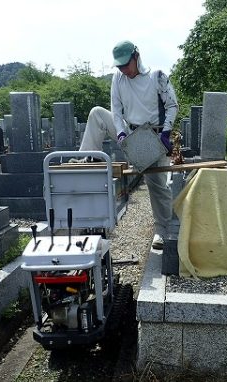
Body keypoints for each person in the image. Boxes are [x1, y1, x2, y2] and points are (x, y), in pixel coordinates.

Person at [80, 40, 179, 250]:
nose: (124, 70)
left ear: (136, 57)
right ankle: (84, 164)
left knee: (156, 185)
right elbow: (115, 109)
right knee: (97, 113)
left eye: (126, 65)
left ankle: (162, 230)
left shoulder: (157, 76)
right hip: (131, 131)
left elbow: (172, 105)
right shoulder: (119, 77)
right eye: (119, 66)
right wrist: (122, 131)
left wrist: (166, 133)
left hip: (154, 135)